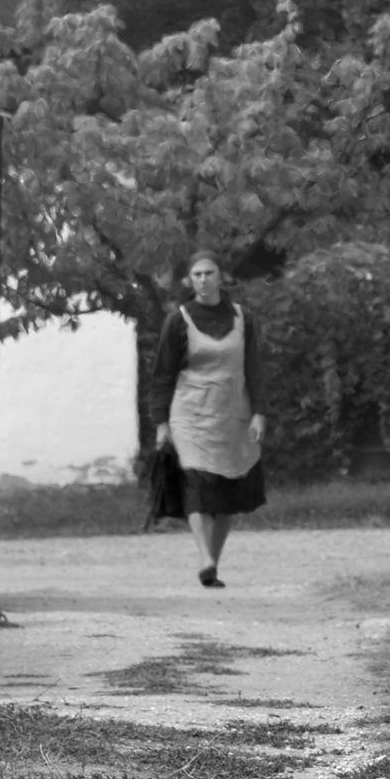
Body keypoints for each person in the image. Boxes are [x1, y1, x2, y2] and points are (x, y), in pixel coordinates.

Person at [149, 250, 267, 587]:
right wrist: (161, 424)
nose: (203, 280)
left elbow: (254, 368)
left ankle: (213, 563)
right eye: (197, 274)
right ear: (189, 280)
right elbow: (163, 375)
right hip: (190, 415)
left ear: (220, 276)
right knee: (197, 485)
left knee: (229, 490)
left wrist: (259, 413)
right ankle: (204, 556)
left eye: (209, 273)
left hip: (232, 415)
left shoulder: (244, 319)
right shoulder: (178, 321)